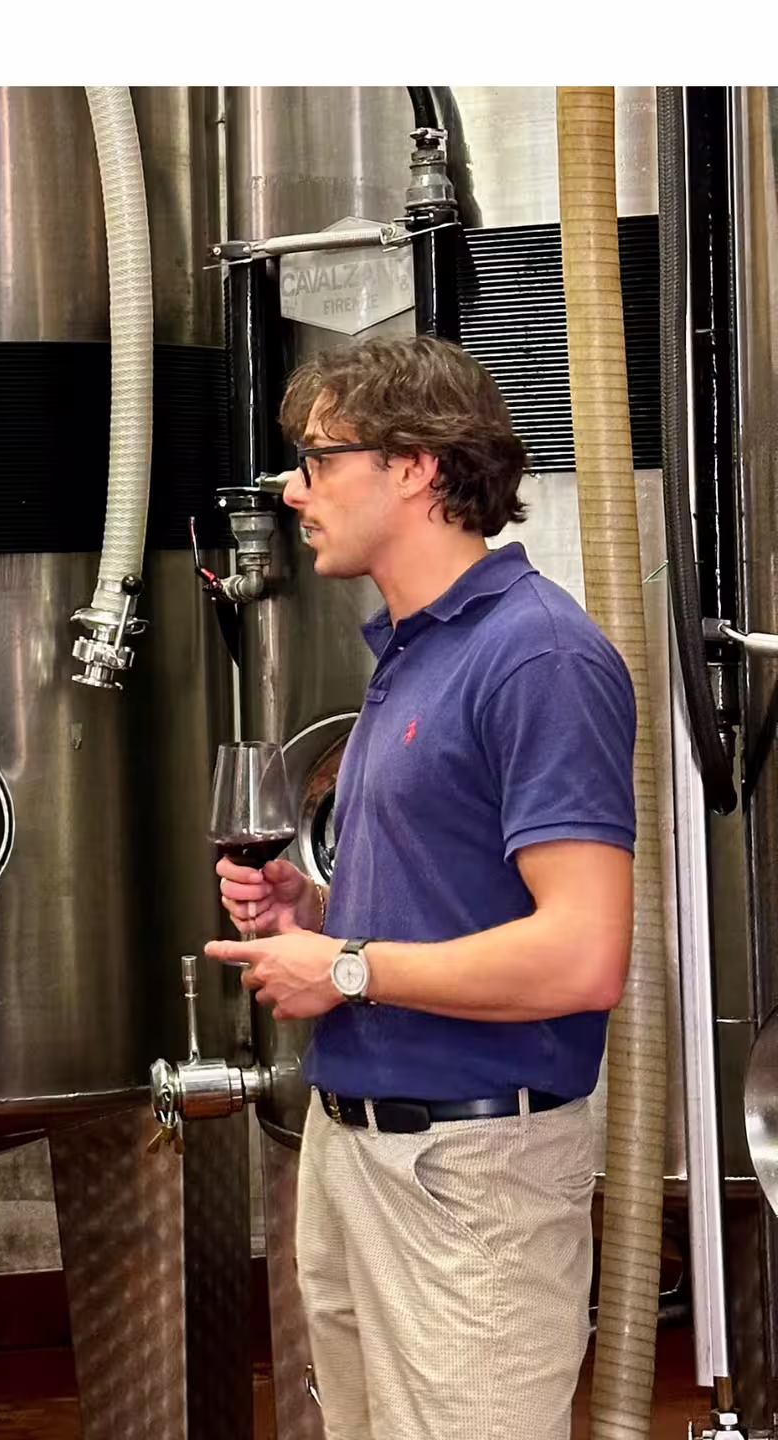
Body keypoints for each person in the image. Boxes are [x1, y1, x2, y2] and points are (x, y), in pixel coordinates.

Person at [206, 335, 637, 1439]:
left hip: (472, 1175)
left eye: (318, 458)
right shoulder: (414, 650)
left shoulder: (537, 657)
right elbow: (463, 908)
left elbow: (583, 955)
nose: (294, 491)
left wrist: (345, 969)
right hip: (356, 1153)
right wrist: (321, 920)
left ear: (417, 466)